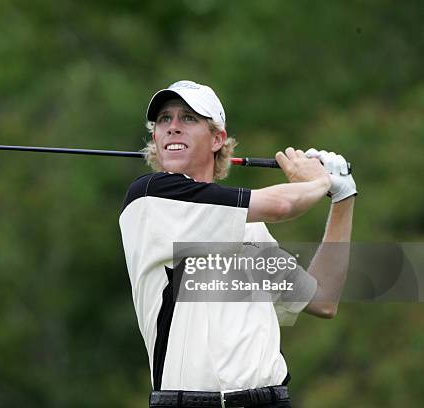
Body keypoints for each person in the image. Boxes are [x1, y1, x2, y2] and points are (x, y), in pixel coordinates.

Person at [118, 80, 356, 408]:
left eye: (188, 118)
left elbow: (323, 300)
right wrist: (321, 180)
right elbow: (282, 206)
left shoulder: (252, 231)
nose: (172, 127)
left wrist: (343, 197)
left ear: (217, 138)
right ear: (156, 138)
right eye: (163, 120)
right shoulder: (151, 197)